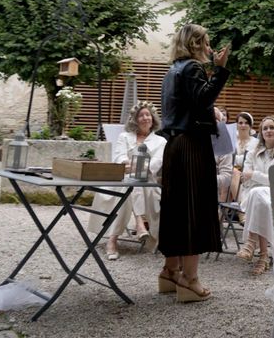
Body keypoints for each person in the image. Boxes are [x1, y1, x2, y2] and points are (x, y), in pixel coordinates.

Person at [158, 23, 231, 302]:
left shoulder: (171, 71)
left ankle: (169, 270)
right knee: (192, 210)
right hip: (191, 145)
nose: (211, 49)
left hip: (175, 145)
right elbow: (204, 99)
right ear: (196, 44)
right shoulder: (192, 68)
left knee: (175, 209)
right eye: (207, 43)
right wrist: (220, 69)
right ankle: (190, 280)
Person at [88, 101, 166, 260]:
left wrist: (134, 167)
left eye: (147, 115)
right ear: (135, 120)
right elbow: (119, 158)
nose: (145, 118)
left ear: (153, 119)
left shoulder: (161, 141)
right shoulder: (124, 137)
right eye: (141, 115)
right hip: (124, 180)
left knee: (131, 183)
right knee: (130, 183)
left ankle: (112, 240)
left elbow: (156, 164)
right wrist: (137, 166)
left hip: (149, 184)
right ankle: (139, 223)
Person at [235, 116, 274, 275]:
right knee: (258, 196)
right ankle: (263, 256)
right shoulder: (252, 153)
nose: (268, 131)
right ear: (261, 132)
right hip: (252, 197)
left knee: (258, 194)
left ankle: (253, 246)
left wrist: (255, 175)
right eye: (265, 128)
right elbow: (245, 180)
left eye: (272, 127)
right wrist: (264, 178)